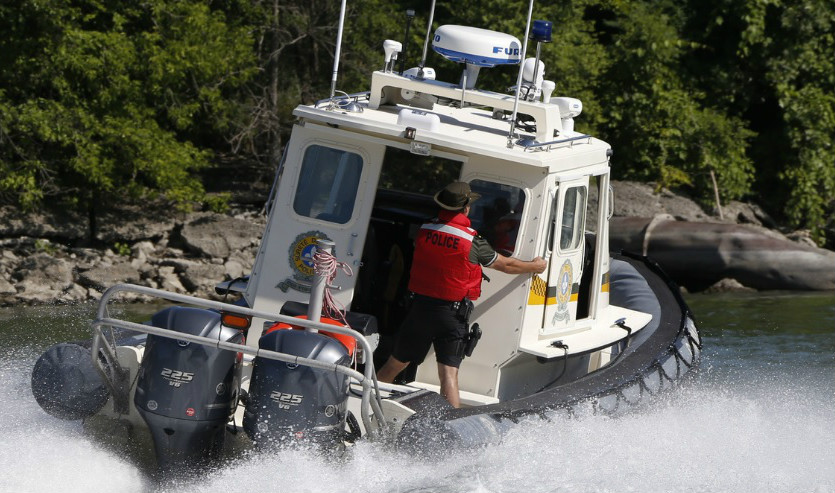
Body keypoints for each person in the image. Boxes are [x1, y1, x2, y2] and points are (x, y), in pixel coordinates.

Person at [376, 181, 547, 408]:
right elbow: (506, 265)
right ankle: (451, 426)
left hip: (420, 309)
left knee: (395, 364)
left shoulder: (425, 230)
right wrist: (535, 267)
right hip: (451, 315)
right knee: (448, 374)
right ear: (466, 208)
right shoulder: (471, 240)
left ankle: (367, 404)